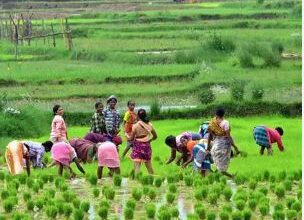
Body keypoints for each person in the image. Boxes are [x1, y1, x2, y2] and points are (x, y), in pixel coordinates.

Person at [128, 109, 157, 175]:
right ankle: (152, 178)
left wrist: (127, 138)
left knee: (137, 165)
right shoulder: (150, 125)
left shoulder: (135, 126)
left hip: (138, 146)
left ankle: (137, 180)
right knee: (149, 165)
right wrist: (149, 140)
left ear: (138, 116)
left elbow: (131, 138)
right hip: (147, 146)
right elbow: (155, 136)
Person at [207, 108, 234, 178]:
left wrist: (207, 148)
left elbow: (210, 135)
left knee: (218, 163)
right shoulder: (225, 122)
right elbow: (228, 136)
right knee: (222, 164)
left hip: (215, 145)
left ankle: (216, 175)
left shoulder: (212, 122)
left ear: (216, 114)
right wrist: (235, 147)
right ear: (223, 114)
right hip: (223, 145)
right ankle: (230, 176)